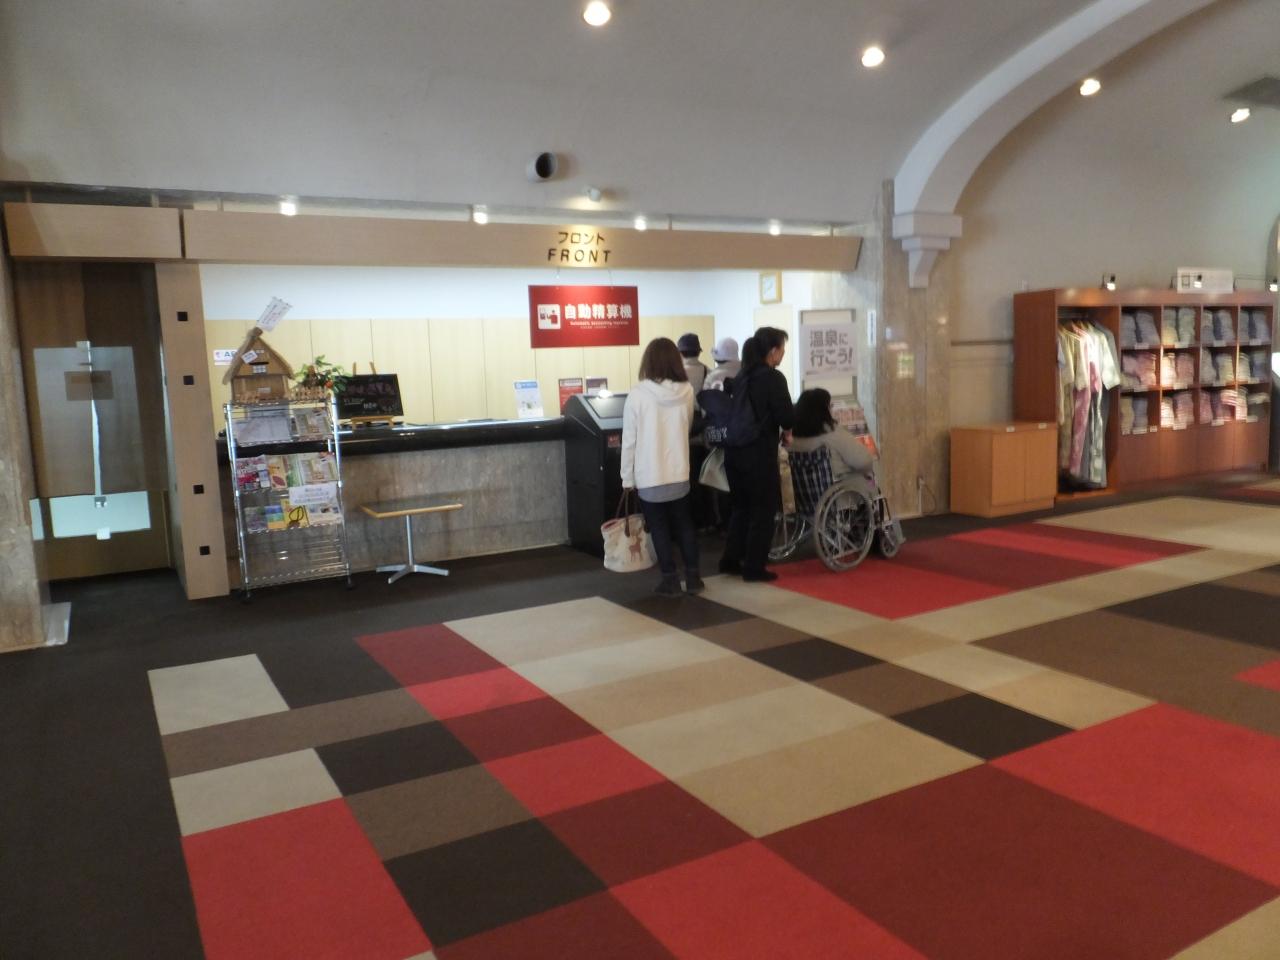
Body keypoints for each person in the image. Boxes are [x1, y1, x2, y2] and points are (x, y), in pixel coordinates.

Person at [621, 337, 703, 596]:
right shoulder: (686, 391)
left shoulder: (637, 395)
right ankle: (693, 578)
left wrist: (627, 478)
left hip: (650, 474)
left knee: (659, 528)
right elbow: (687, 425)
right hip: (679, 471)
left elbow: (629, 441)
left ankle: (670, 579)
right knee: (684, 525)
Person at [720, 326, 794, 582]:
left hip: (733, 453)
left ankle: (731, 560)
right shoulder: (773, 378)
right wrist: (787, 429)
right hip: (758, 453)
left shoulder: (742, 376)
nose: (783, 354)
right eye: (782, 349)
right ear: (773, 351)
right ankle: (753, 567)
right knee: (763, 511)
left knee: (741, 508)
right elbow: (786, 416)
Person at [788, 388, 876, 498]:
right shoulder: (832, 434)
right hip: (840, 500)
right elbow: (864, 461)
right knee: (869, 480)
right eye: (830, 406)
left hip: (804, 502)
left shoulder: (789, 439)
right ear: (823, 411)